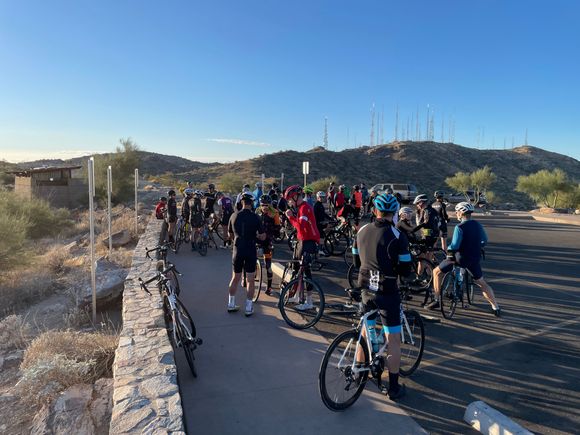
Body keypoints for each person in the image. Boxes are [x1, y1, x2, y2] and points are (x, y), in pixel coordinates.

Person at [352, 193, 411, 399]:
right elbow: (405, 269)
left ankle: (359, 372)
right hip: (387, 290)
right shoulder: (397, 236)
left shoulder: (361, 231)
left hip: (366, 286)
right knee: (393, 338)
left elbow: (356, 260)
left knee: (365, 331)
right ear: (394, 213)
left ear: (375, 211)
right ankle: (393, 387)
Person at [429, 202, 501, 316]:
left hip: (460, 258)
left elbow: (454, 246)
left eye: (457, 211)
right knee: (482, 283)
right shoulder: (478, 225)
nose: (456, 213)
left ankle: (437, 299)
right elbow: (484, 241)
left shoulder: (460, 227)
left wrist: (448, 249)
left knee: (436, 272)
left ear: (461, 213)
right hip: (474, 258)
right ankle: (495, 307)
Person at [227, 193, 266, 316]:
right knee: (250, 280)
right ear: (252, 203)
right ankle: (249, 307)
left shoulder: (234, 216)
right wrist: (257, 236)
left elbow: (230, 235)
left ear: (241, 202)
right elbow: (263, 236)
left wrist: (237, 240)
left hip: (237, 249)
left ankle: (231, 304)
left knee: (235, 278)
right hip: (250, 249)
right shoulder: (255, 217)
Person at [284, 185, 320, 310]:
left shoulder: (305, 208)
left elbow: (300, 227)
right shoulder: (300, 208)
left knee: (306, 273)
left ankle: (309, 302)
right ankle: (299, 297)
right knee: (300, 271)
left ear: (295, 197)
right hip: (302, 241)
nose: (289, 202)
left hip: (308, 242)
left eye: (289, 199)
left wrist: (290, 217)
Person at [257, 195, 280, 295]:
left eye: (267, 205)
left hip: (268, 241)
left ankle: (269, 287)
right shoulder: (257, 212)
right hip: (257, 239)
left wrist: (272, 234)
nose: (265, 207)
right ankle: (247, 278)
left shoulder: (275, 213)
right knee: (250, 259)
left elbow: (277, 229)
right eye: (263, 205)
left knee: (268, 266)